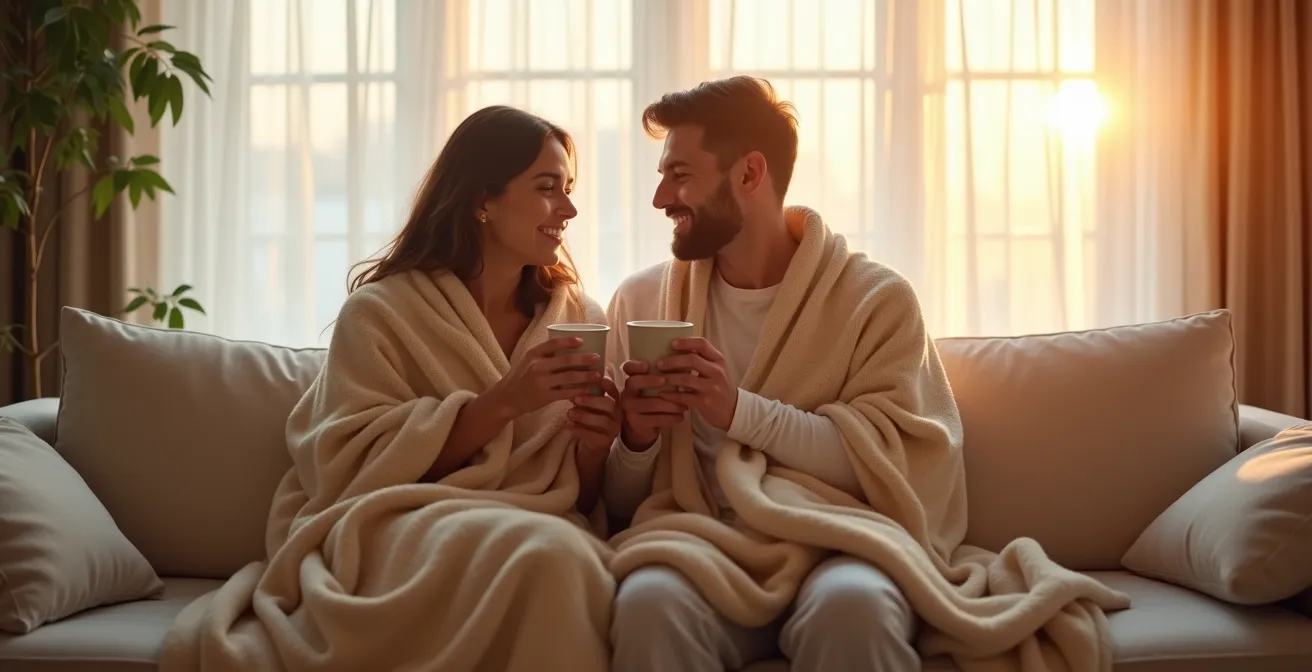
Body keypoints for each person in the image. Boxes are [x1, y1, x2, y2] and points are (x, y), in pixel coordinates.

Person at [159, 106, 622, 672]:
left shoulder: (579, 318)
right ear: (482, 200)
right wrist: (503, 402)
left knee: (561, 553)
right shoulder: (381, 313)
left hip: (537, 521)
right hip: (397, 519)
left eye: (569, 189)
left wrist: (595, 448)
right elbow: (349, 462)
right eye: (547, 188)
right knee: (552, 556)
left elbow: (579, 492)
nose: (569, 209)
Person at [602, 77, 923, 670]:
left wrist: (736, 409)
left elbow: (883, 463)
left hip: (836, 542)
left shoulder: (875, 301)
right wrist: (637, 440)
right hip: (698, 541)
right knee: (647, 602)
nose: (660, 200)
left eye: (680, 175)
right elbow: (619, 502)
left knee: (855, 608)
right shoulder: (642, 301)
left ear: (750, 175)